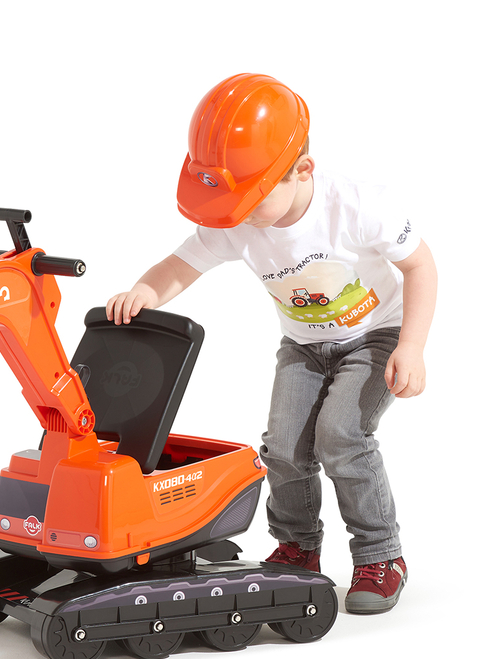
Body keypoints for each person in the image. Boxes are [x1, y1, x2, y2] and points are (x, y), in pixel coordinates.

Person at [106, 73, 437, 614]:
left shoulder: (358, 207)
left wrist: (413, 346)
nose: (238, 212)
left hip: (375, 337)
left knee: (340, 437)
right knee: (282, 447)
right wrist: (146, 290)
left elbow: (420, 266)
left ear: (302, 170)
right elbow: (182, 264)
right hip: (303, 347)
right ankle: (298, 547)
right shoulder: (237, 218)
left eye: (252, 198)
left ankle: (382, 555)